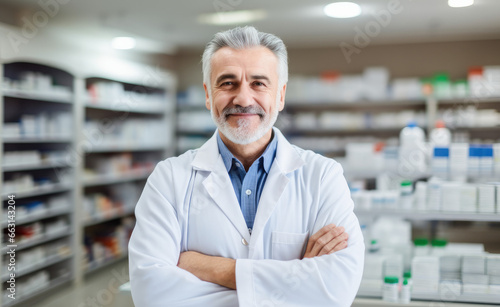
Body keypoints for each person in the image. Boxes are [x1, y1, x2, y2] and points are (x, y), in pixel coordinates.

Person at [128, 26, 364, 307]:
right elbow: (151, 293)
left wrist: (210, 268)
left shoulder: (322, 176)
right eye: (227, 83)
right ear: (207, 94)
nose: (242, 98)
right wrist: (295, 280)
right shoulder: (169, 178)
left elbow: (336, 291)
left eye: (258, 83)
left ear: (280, 95)